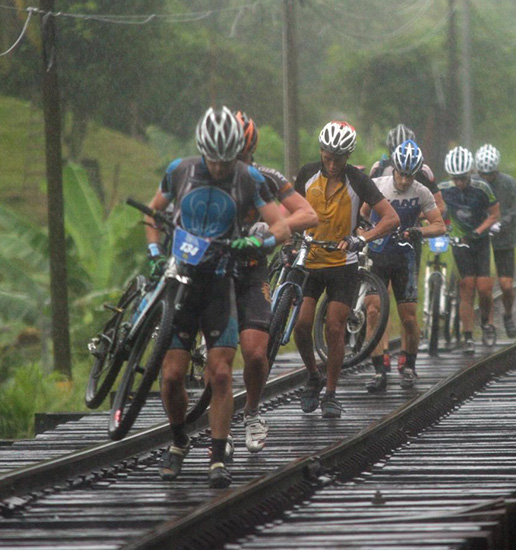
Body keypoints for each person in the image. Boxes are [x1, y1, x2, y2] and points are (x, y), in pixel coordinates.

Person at [146, 106, 290, 488]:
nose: (221, 168)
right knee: (173, 376)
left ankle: (217, 456)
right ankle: (178, 441)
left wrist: (259, 239)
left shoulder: (250, 178)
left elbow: (282, 227)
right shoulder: (179, 171)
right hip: (182, 282)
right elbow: (151, 214)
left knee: (223, 373)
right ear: (202, 151)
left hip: (219, 285)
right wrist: (154, 253)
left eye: (228, 161)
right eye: (214, 160)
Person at [292, 121, 400, 418]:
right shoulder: (306, 173)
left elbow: (390, 219)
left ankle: (330, 393)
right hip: (311, 259)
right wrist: (290, 238)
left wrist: (361, 238)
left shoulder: (358, 180)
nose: (332, 163)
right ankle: (313, 375)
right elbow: (290, 209)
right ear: (321, 150)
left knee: (335, 326)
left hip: (343, 264)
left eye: (339, 158)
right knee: (301, 324)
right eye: (328, 156)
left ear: (348, 156)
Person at [232, 111, 318, 454]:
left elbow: (307, 213)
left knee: (255, 354)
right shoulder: (204, 177)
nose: (235, 163)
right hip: (212, 271)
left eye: (242, 155)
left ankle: (251, 412)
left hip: (252, 269)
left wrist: (273, 230)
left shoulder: (264, 178)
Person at [361, 139, 445, 392]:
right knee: (373, 311)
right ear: (393, 169)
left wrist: (419, 231)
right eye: (401, 174)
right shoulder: (378, 186)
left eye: (411, 175)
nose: (405, 180)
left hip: (405, 258)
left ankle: (409, 364)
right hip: (378, 255)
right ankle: (378, 370)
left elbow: (439, 225)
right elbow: (363, 214)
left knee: (408, 318)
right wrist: (365, 231)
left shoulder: (421, 192)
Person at [438, 146, 500, 355]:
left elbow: (494, 214)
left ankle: (487, 323)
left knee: (484, 288)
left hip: (480, 241)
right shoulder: (444, 189)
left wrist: (479, 231)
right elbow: (433, 209)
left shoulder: (482, 188)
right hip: (460, 241)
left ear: (470, 174)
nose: (460, 183)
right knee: (466, 287)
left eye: (463, 178)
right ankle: (467, 335)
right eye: (456, 178)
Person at [475, 144, 516, 339]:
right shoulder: (473, 184)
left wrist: (502, 224)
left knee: (506, 285)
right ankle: (487, 321)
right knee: (484, 287)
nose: (486, 178)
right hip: (481, 239)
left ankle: (508, 315)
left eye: (490, 174)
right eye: (483, 174)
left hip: (504, 237)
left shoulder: (509, 184)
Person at [370, 124, 446, 217]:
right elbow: (365, 206)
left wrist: (415, 215)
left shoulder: (424, 171)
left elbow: (440, 206)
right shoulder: (379, 168)